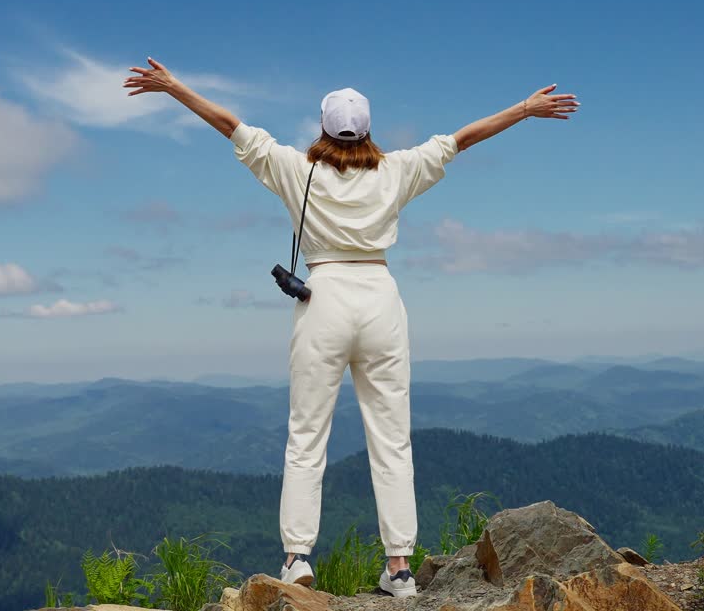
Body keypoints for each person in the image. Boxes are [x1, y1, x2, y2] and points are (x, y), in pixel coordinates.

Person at [123, 57, 578, 596]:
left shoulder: (297, 169)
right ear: (367, 129)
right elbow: (463, 139)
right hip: (381, 298)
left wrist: (174, 87)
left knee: (306, 434)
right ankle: (400, 568)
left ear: (322, 127)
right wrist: (526, 109)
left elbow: (231, 126)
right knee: (391, 438)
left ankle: (296, 558)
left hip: (323, 297)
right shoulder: (398, 170)